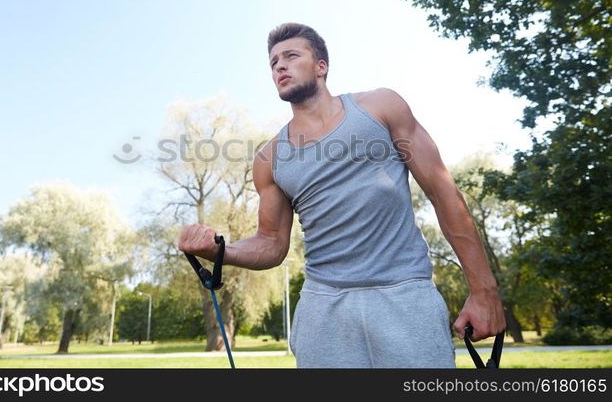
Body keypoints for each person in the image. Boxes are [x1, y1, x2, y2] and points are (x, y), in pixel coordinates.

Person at [178, 22, 506, 368]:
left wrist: (484, 290)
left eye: (291, 56)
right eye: (273, 62)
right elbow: (271, 243)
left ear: (321, 66)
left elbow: (444, 194)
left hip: (405, 296)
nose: (280, 66)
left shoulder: (381, 107)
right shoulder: (269, 158)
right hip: (324, 309)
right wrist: (221, 250)